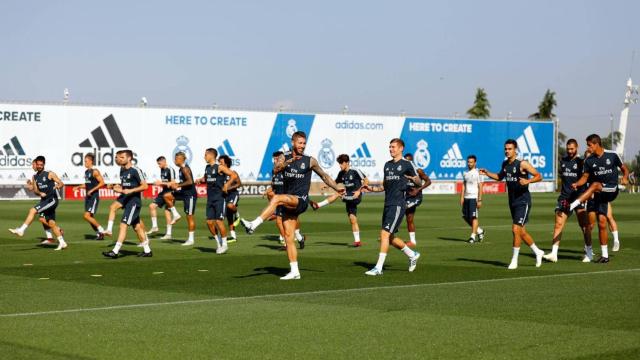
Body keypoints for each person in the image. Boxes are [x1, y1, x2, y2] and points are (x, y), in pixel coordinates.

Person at [241, 131, 344, 280]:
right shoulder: (284, 156)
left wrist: (336, 187)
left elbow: (324, 176)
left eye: (304, 143)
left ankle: (253, 224)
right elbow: (276, 169)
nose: (302, 146)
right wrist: (287, 162)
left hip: (300, 200)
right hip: (289, 202)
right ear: (293, 143)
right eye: (299, 143)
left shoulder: (310, 161)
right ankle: (295, 271)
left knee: (276, 198)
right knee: (289, 237)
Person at [360, 138, 422, 276]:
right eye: (389, 147)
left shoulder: (407, 164)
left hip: (398, 205)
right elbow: (384, 186)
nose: (391, 149)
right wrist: (370, 188)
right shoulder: (387, 165)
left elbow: (418, 181)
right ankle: (412, 255)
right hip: (388, 204)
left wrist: (413, 179)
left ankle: (378, 268)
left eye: (393, 147)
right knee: (390, 237)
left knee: (384, 234)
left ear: (401, 148)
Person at [480, 139, 544, 270]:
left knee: (515, 229)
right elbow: (499, 177)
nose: (507, 151)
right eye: (505, 149)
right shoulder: (505, 164)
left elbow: (539, 175)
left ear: (515, 150)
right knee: (521, 232)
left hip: (523, 201)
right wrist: (487, 173)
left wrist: (528, 181)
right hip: (512, 201)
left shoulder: (522, 163)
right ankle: (538, 252)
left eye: (509, 149)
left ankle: (514, 260)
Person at [568, 134, 629, 263]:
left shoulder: (612, 155)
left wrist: (625, 177)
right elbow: (584, 177)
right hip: (600, 194)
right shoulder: (589, 161)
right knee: (601, 222)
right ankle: (605, 255)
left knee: (595, 185)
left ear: (596, 144)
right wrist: (577, 184)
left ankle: (573, 205)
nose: (588, 148)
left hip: (612, 189)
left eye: (589, 145)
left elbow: (624, 169)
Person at [543, 139, 592, 262]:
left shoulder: (582, 162)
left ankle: (589, 252)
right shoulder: (563, 161)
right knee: (558, 224)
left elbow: (587, 178)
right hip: (565, 198)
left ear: (577, 148)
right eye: (568, 149)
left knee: (584, 226)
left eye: (572, 149)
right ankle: (554, 253)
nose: (570, 151)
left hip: (579, 197)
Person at [9, 155, 68, 251]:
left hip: (52, 200)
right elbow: (36, 191)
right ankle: (62, 242)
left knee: (32, 210)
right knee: (51, 223)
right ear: (36, 164)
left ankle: (21, 230)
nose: (39, 166)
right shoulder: (35, 177)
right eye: (38, 164)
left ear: (44, 164)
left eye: (41, 164)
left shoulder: (50, 174)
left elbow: (61, 183)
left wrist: (58, 186)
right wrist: (38, 191)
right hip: (44, 200)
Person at [102, 150, 152, 258]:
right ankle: (147, 251)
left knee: (123, 225)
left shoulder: (136, 170)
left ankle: (115, 251)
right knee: (137, 227)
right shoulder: (122, 170)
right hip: (125, 199)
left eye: (121, 157)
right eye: (118, 157)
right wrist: (115, 187)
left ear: (129, 158)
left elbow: (145, 186)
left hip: (133, 202)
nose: (118, 159)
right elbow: (124, 186)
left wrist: (131, 190)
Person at [310, 154, 368, 247]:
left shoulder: (355, 171)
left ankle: (318, 205)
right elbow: (335, 182)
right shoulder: (341, 173)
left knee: (338, 193)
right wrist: (327, 185)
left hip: (356, 196)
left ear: (347, 163)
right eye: (339, 163)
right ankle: (357, 241)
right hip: (348, 197)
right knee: (352, 219)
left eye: (341, 163)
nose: (340, 165)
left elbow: (366, 181)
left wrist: (358, 191)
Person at [194, 148, 239, 253]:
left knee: (219, 221)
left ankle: (225, 244)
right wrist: (200, 180)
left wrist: (227, 185)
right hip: (210, 199)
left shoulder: (220, 167)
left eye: (205, 155)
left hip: (220, 198)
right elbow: (206, 178)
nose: (204, 157)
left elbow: (234, 175)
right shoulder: (207, 168)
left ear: (211, 155)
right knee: (209, 222)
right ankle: (218, 243)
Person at [163, 152, 197, 245]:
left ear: (182, 159)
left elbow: (190, 182)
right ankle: (176, 214)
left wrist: (178, 185)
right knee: (166, 196)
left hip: (190, 195)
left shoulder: (185, 169)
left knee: (189, 217)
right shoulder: (181, 169)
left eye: (177, 159)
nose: (175, 160)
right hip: (183, 192)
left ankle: (191, 239)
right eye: (175, 158)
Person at [72, 153, 106, 240]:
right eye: (84, 161)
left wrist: (92, 190)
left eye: (86, 161)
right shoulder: (86, 172)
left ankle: (102, 230)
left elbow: (102, 182)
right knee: (90, 217)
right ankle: (99, 234)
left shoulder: (95, 171)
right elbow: (87, 184)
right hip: (88, 197)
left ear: (91, 161)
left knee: (86, 216)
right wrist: (78, 187)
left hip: (94, 196)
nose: (84, 163)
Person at [403, 153, 432, 247]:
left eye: (409, 161)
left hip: (416, 197)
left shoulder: (418, 171)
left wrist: (418, 190)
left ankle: (390, 233)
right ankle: (413, 241)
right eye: (405, 161)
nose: (407, 162)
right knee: (409, 219)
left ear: (412, 161)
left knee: (401, 209)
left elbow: (428, 181)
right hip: (407, 197)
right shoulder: (403, 172)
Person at [25, 159, 56, 244]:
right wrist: (30, 185)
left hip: (50, 200)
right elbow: (34, 190)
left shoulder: (47, 174)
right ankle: (50, 238)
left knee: (40, 216)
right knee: (42, 219)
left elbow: (57, 183)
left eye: (33, 165)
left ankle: (57, 231)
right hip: (44, 200)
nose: (33, 166)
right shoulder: (35, 176)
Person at [146, 156, 176, 240]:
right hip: (163, 192)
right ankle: (155, 226)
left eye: (159, 164)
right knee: (152, 206)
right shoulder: (162, 169)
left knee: (167, 212)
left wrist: (160, 183)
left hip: (170, 193)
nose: (158, 165)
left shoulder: (170, 169)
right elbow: (166, 182)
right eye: (158, 164)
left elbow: (173, 182)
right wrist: (161, 184)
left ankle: (169, 234)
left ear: (164, 162)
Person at [460, 155, 485, 243]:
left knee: (473, 217)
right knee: (465, 216)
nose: (469, 164)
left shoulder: (478, 172)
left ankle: (473, 236)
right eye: (468, 162)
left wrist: (480, 200)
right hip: (466, 198)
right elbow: (464, 185)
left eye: (471, 162)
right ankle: (479, 231)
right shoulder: (465, 173)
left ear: (475, 163)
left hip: (473, 198)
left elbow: (480, 186)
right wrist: (462, 197)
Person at [218, 155, 242, 242]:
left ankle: (237, 215)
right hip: (224, 196)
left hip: (233, 194)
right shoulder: (220, 174)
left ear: (227, 163)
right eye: (219, 162)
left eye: (221, 162)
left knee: (230, 206)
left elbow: (239, 184)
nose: (219, 164)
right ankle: (233, 236)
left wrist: (228, 188)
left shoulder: (233, 172)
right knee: (228, 215)